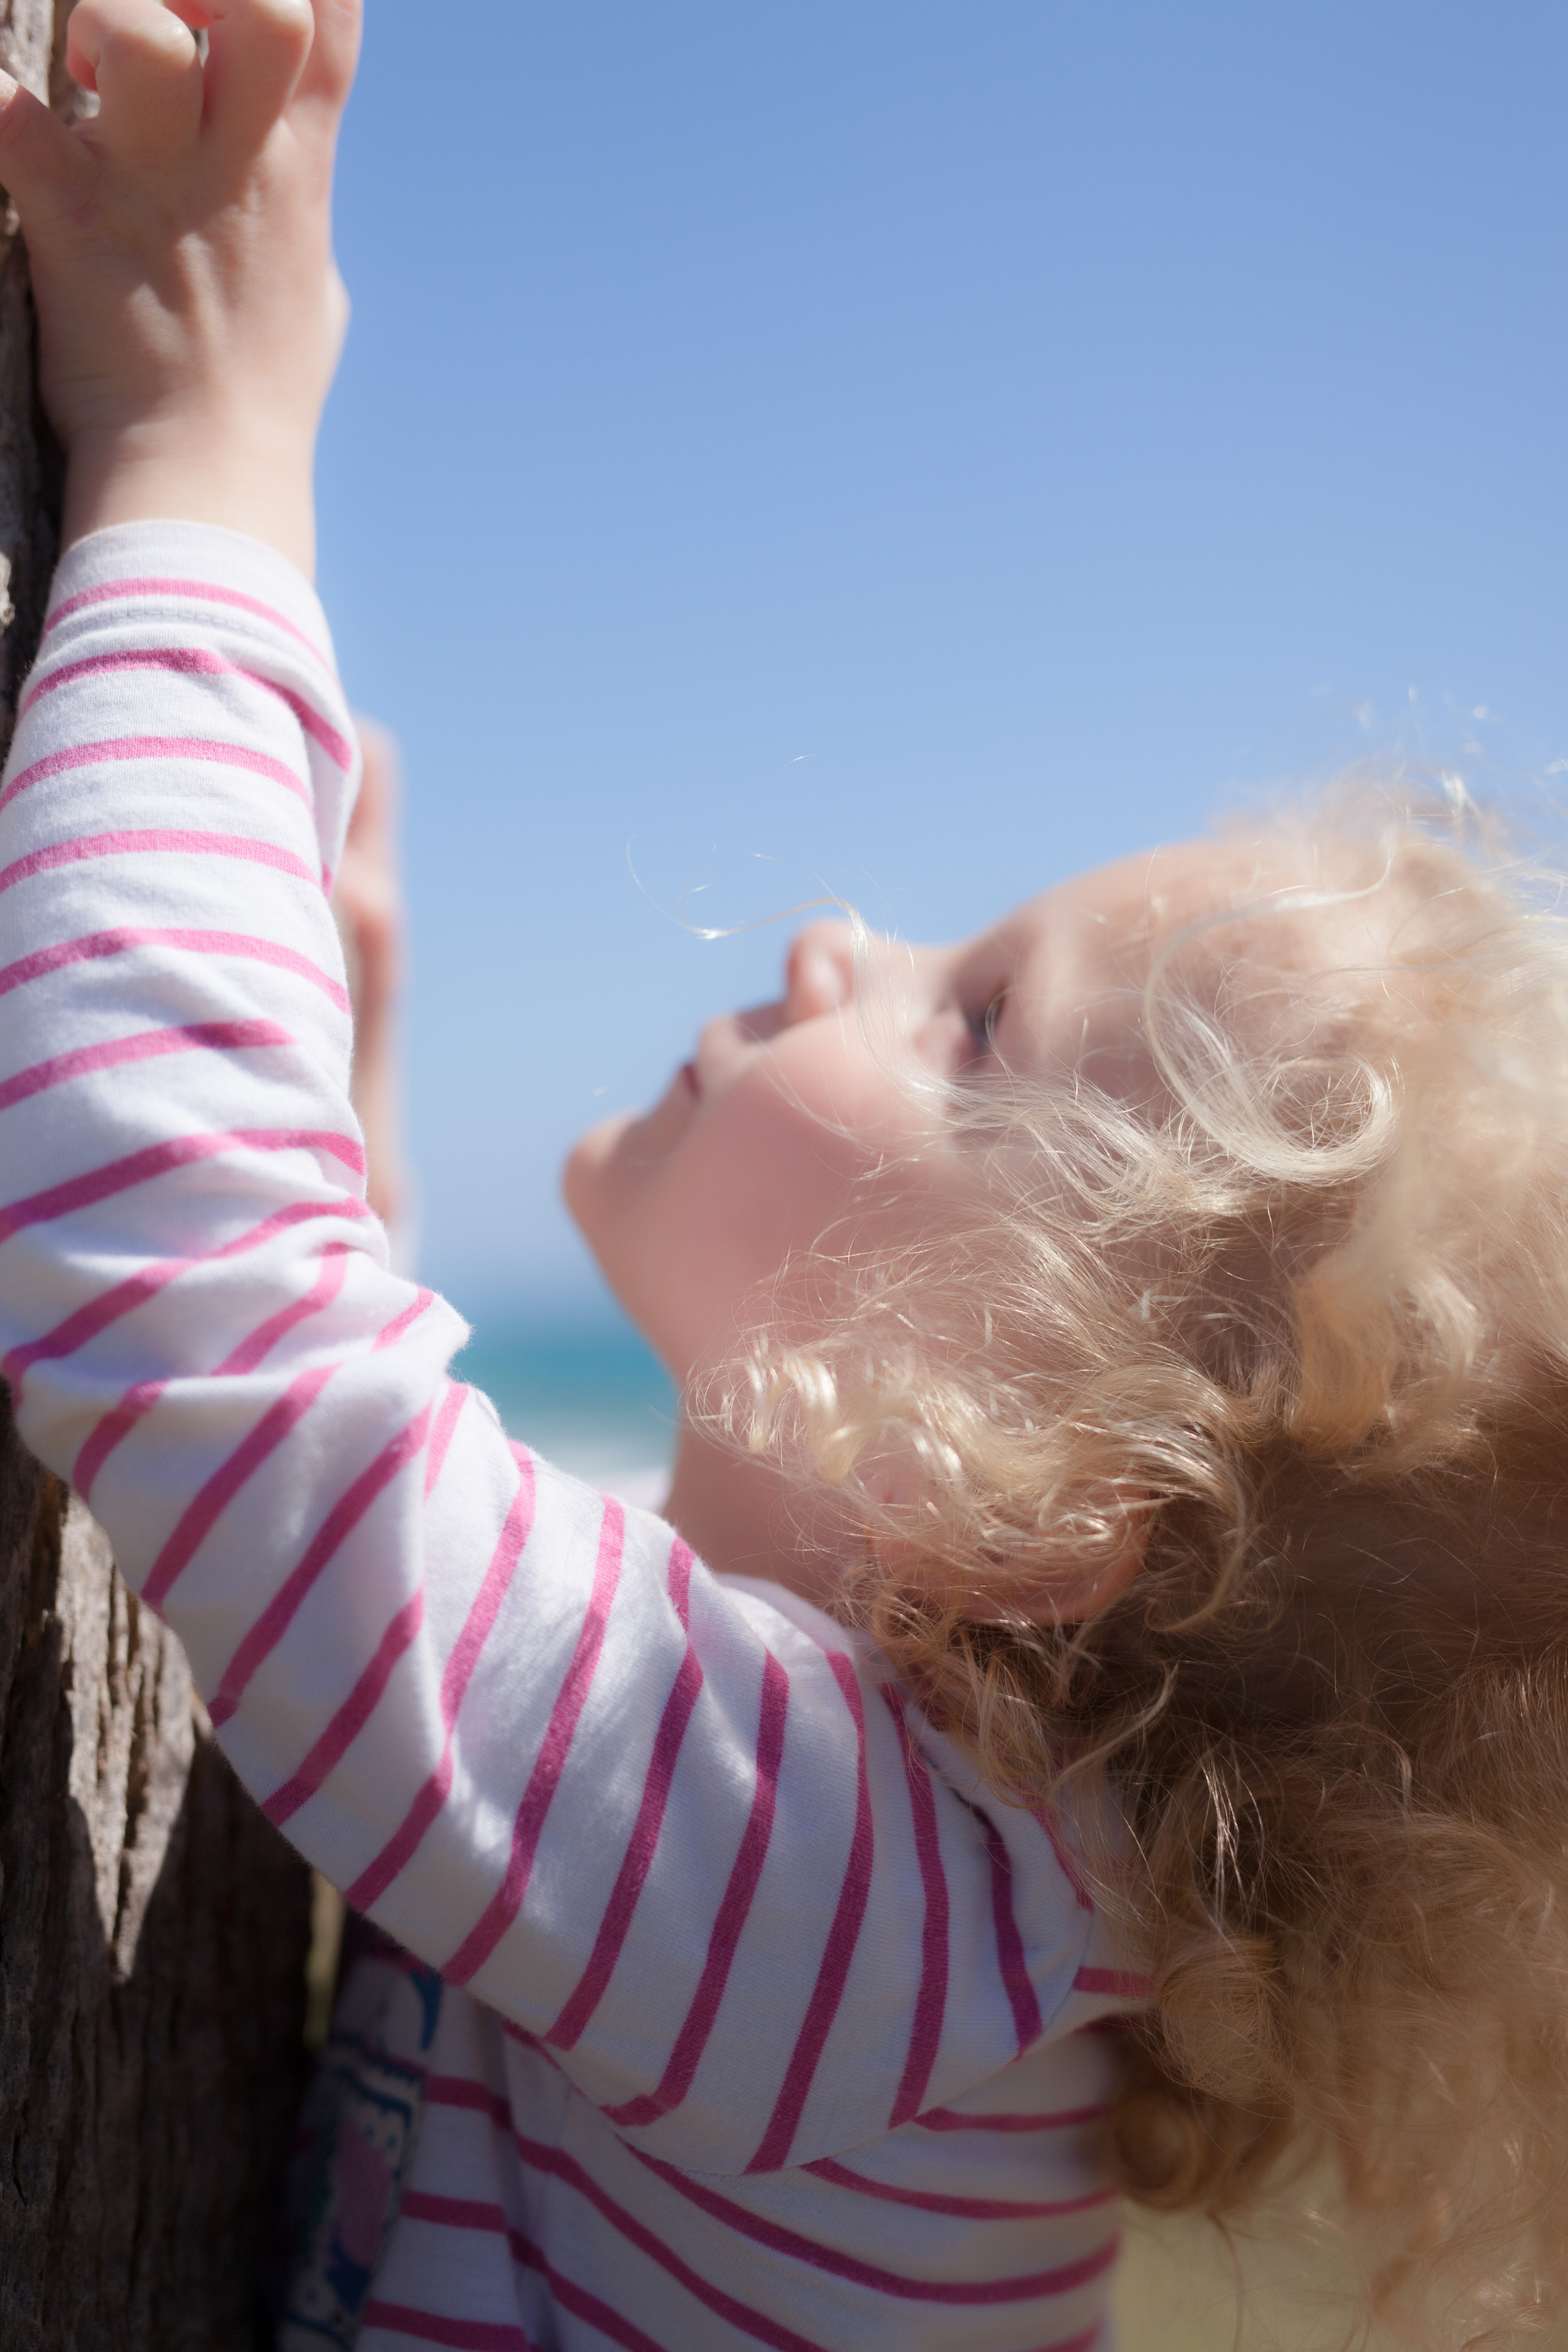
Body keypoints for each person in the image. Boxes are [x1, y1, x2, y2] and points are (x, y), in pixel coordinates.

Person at [0, 7, 1564, 2347]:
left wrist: (204, 468)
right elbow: (389, 1501)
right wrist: (345, 1083)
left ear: (1046, 1489)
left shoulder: (834, 1910)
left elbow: (188, 1304)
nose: (851, 933)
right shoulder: (918, 1934)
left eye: (971, 1018)